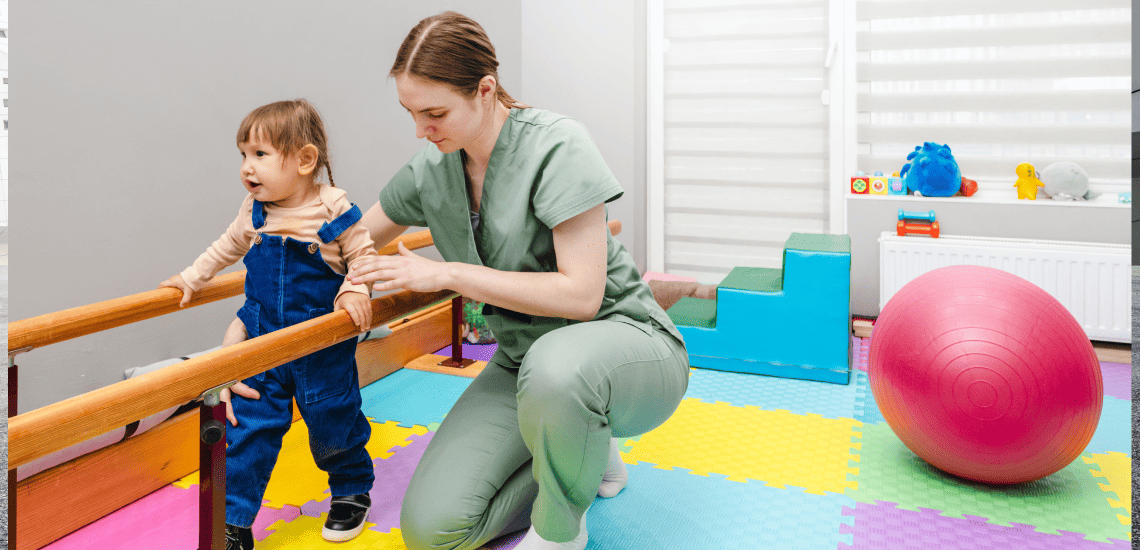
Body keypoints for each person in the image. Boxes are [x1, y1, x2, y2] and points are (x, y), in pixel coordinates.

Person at [346, 12, 690, 550]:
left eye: (434, 113)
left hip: (627, 347)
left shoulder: (558, 146)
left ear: (486, 90)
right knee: (432, 532)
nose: (420, 130)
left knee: (560, 371)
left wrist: (449, 274)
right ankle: (584, 447)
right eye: (410, 113)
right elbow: (351, 237)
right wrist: (336, 263)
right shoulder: (433, 168)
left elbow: (581, 296)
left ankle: (560, 533)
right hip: (523, 363)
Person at [159, 99, 378, 550]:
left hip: (320, 343)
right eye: (243, 155)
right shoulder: (254, 211)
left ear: (304, 160)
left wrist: (354, 289)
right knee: (250, 429)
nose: (247, 167)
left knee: (335, 422)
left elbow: (363, 256)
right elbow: (225, 248)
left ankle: (351, 490)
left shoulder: (331, 206)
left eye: (259, 155)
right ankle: (234, 522)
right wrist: (190, 279)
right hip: (263, 340)